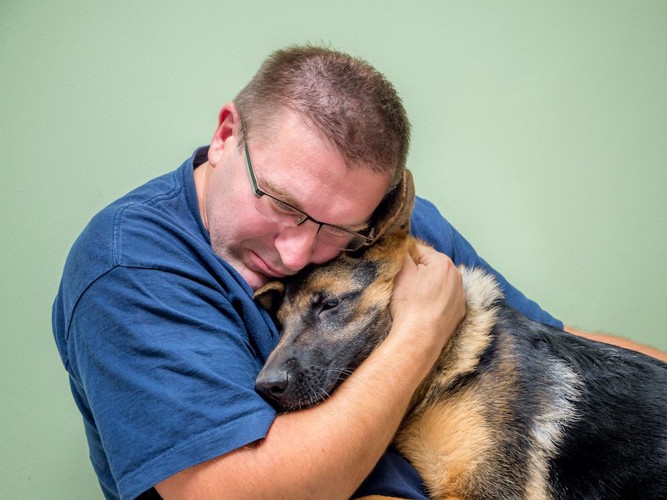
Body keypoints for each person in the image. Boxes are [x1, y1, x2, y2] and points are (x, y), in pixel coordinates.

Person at [52, 45, 665, 500]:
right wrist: (421, 328)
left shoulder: (389, 225)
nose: (296, 253)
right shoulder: (131, 267)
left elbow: (548, 342)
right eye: (283, 204)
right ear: (225, 134)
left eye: (335, 229)